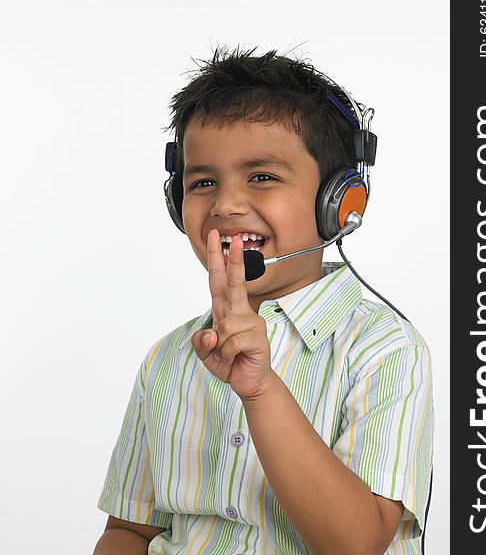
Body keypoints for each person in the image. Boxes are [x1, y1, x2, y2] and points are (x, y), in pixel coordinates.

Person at [93, 46, 434, 555]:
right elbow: (127, 532)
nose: (227, 204)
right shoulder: (168, 358)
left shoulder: (385, 350)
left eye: (262, 177)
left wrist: (261, 390)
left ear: (339, 201)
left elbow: (357, 544)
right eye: (202, 182)